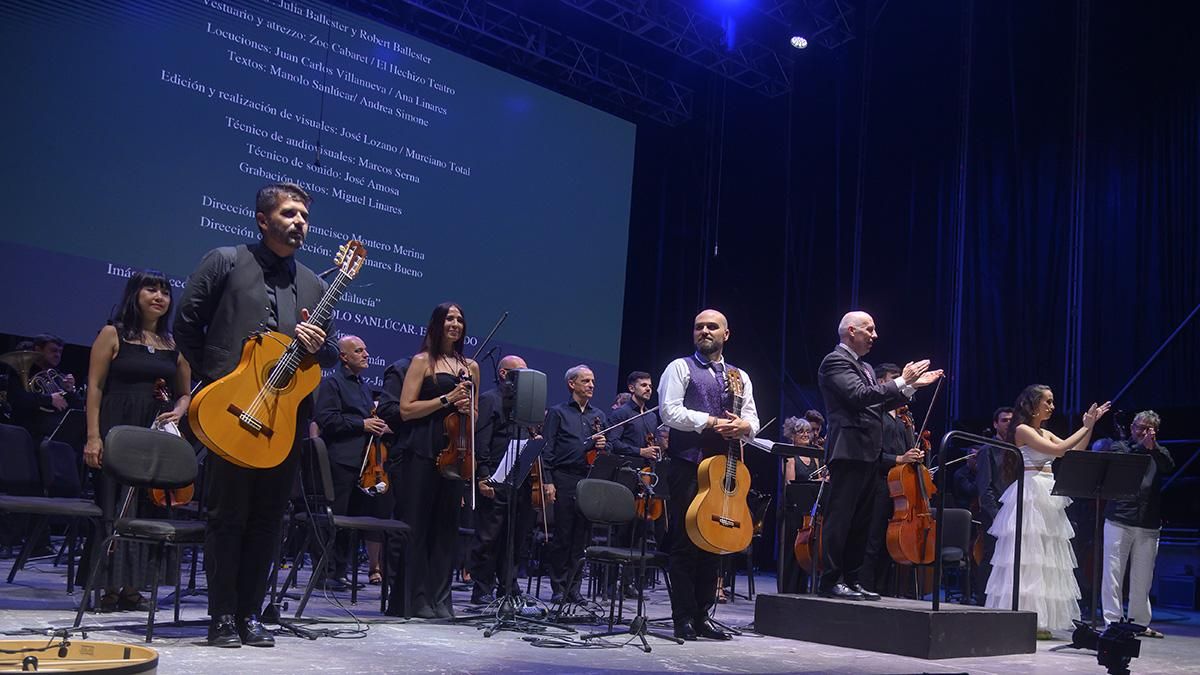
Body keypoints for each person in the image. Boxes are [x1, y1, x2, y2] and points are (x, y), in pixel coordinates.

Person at [176, 182, 339, 647]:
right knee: (228, 516)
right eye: (289, 213)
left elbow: (329, 354)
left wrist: (318, 346)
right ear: (263, 220)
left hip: (283, 419)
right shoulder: (225, 260)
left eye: (304, 216)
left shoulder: (314, 284)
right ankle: (222, 615)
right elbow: (186, 323)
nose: (299, 222)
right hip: (232, 411)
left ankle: (250, 613)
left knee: (269, 519)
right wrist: (217, 381)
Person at [80, 269, 192, 612]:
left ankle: (132, 588)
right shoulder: (112, 334)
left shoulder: (173, 344)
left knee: (146, 507)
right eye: (151, 289)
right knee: (113, 505)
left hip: (154, 435)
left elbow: (185, 393)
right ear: (135, 294)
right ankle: (107, 587)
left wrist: (178, 411)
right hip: (116, 428)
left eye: (165, 292)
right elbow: (95, 387)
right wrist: (93, 437)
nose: (159, 297)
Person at [816, 311, 942, 601]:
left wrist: (911, 386)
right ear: (851, 331)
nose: (875, 335)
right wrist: (902, 381)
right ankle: (831, 580)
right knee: (841, 518)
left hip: (868, 452)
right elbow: (859, 396)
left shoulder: (866, 368)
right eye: (869, 330)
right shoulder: (835, 361)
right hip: (848, 451)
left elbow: (878, 404)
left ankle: (852, 579)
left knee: (862, 522)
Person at [659, 309, 760, 640]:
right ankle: (683, 617)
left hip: (723, 467)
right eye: (698, 326)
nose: (704, 331)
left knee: (714, 542)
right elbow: (670, 412)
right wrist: (712, 422)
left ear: (725, 334)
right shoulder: (679, 367)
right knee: (685, 542)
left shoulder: (739, 376)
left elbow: (753, 420)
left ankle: (703, 615)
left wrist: (744, 426)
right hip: (687, 464)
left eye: (712, 327)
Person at [984, 384, 1111, 639]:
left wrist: (1090, 426)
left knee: (1047, 556)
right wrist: (1085, 426)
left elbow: (1073, 452)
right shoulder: (1023, 430)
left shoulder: (1045, 432)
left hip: (1048, 491)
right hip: (1031, 492)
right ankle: (1023, 617)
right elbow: (1058, 451)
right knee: (1029, 556)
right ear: (1033, 404)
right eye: (1048, 401)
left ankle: (1041, 620)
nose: (1052, 406)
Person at [385, 302, 478, 619]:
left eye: (460, 319)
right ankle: (414, 599)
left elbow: (475, 416)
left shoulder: (471, 367)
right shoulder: (422, 361)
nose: (455, 323)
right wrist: (446, 399)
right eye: (449, 318)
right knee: (418, 526)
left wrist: (467, 409)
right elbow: (405, 409)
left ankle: (440, 599)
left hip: (455, 452)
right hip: (421, 449)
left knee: (446, 529)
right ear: (437, 324)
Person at [314, 335, 392, 586]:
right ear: (343, 357)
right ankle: (324, 572)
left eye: (365, 349)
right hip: (341, 461)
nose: (366, 354)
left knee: (353, 522)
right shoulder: (332, 384)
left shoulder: (364, 387)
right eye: (358, 351)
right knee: (334, 518)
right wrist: (362, 424)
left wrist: (377, 425)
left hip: (364, 465)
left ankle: (340, 571)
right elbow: (326, 419)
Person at [466, 354, 535, 604]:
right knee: (489, 536)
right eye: (520, 372)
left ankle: (508, 587)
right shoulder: (489, 399)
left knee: (514, 536)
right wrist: (483, 475)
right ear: (504, 374)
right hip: (495, 475)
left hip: (518, 476)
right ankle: (482, 589)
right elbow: (481, 440)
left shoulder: (524, 405)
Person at [1102, 410, 1173, 638]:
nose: (1142, 432)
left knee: (1143, 578)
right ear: (1132, 428)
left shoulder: (1159, 452)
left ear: (1155, 431)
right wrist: (1143, 447)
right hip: (1119, 518)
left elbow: (1168, 466)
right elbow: (1123, 463)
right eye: (1139, 427)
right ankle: (1112, 621)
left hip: (1148, 522)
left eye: (1147, 429)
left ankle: (1139, 623)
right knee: (1113, 573)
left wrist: (1153, 448)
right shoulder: (1120, 447)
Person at [541, 364, 607, 604]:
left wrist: (604, 445)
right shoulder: (557, 413)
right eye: (586, 381)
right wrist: (548, 481)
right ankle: (559, 587)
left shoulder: (598, 416)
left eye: (593, 381)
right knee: (563, 535)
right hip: (564, 477)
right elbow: (547, 449)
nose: (591, 385)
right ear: (572, 384)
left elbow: (606, 448)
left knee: (582, 537)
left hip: (588, 479)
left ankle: (574, 588)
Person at [858, 363, 924, 597]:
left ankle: (884, 590)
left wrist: (914, 456)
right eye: (894, 377)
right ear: (881, 382)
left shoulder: (903, 418)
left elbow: (906, 450)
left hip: (900, 488)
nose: (900, 381)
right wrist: (899, 458)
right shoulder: (876, 413)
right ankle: (865, 587)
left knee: (891, 542)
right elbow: (871, 454)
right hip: (880, 483)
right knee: (874, 539)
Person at [968, 406, 1013, 600]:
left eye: (1011, 420)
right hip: (995, 513)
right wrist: (996, 516)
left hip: (1012, 511)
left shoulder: (1017, 449)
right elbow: (984, 487)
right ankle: (983, 601)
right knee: (991, 556)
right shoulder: (987, 450)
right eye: (1004, 420)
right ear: (995, 424)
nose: (1009, 423)